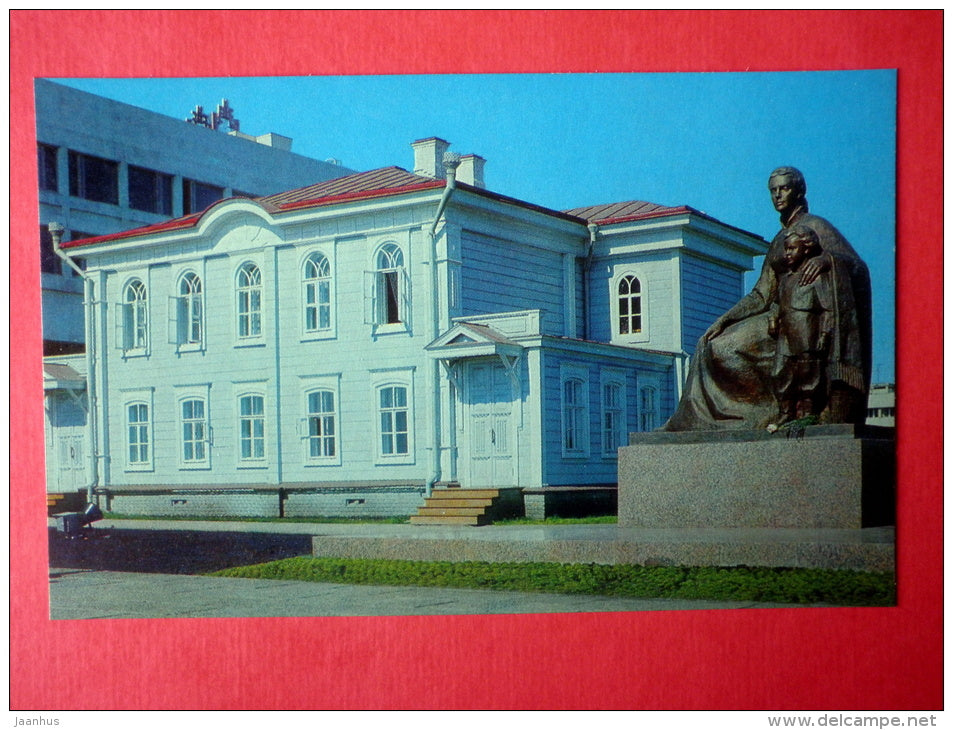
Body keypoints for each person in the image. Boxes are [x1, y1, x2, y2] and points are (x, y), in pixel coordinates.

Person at [660, 166, 871, 431]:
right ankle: (720, 420)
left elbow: (858, 267)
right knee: (711, 343)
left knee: (724, 349)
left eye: (784, 188)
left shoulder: (816, 226)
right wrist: (723, 321)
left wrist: (827, 260)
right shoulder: (780, 239)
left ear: (799, 191)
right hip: (777, 318)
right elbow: (761, 294)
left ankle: (755, 417)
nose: (778, 195)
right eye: (773, 190)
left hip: (804, 322)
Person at [767, 225, 834, 427]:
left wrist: (824, 333)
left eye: (793, 249)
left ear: (805, 249)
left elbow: (828, 309)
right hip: (786, 334)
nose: (788, 254)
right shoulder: (786, 279)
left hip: (807, 333)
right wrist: (773, 317)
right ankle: (785, 412)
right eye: (786, 249)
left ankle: (808, 414)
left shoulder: (816, 277)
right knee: (779, 372)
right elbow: (776, 302)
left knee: (809, 375)